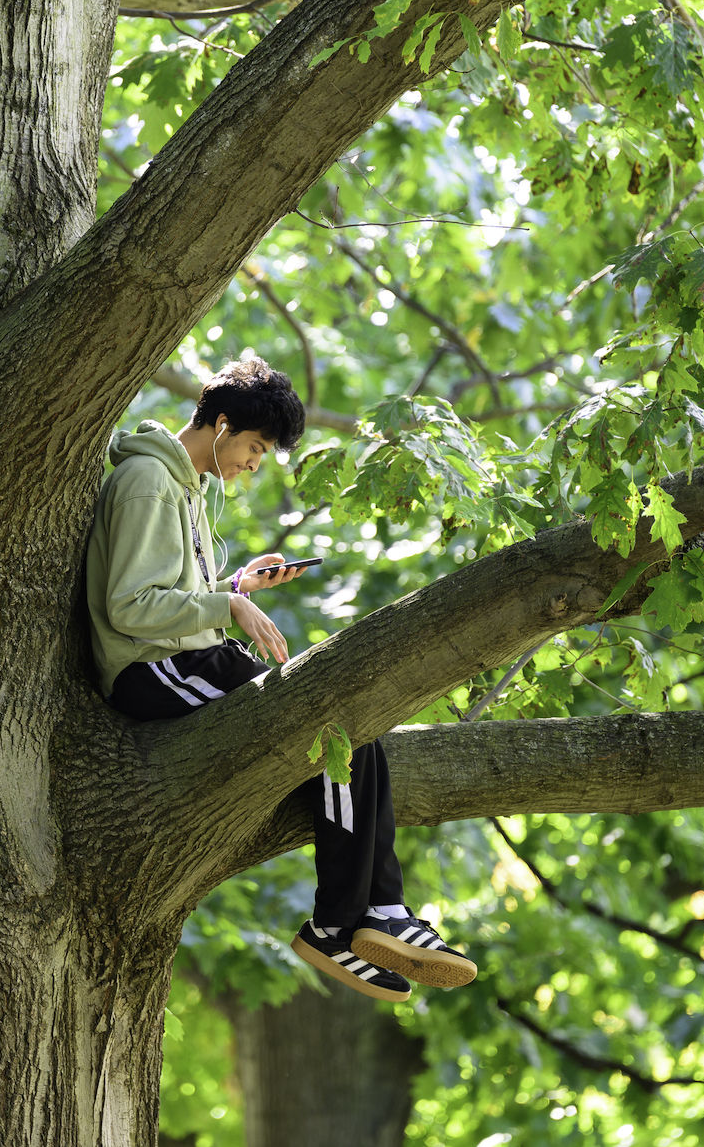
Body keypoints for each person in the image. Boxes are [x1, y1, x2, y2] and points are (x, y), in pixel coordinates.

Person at [85, 356, 476, 1002]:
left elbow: (170, 594)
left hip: (184, 657)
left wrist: (234, 585)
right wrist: (228, 606)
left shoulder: (187, 487)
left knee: (349, 725)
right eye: (255, 447)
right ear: (221, 422)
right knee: (327, 723)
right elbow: (129, 605)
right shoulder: (148, 481)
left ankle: (378, 912)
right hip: (150, 671)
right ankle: (338, 923)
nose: (254, 463)